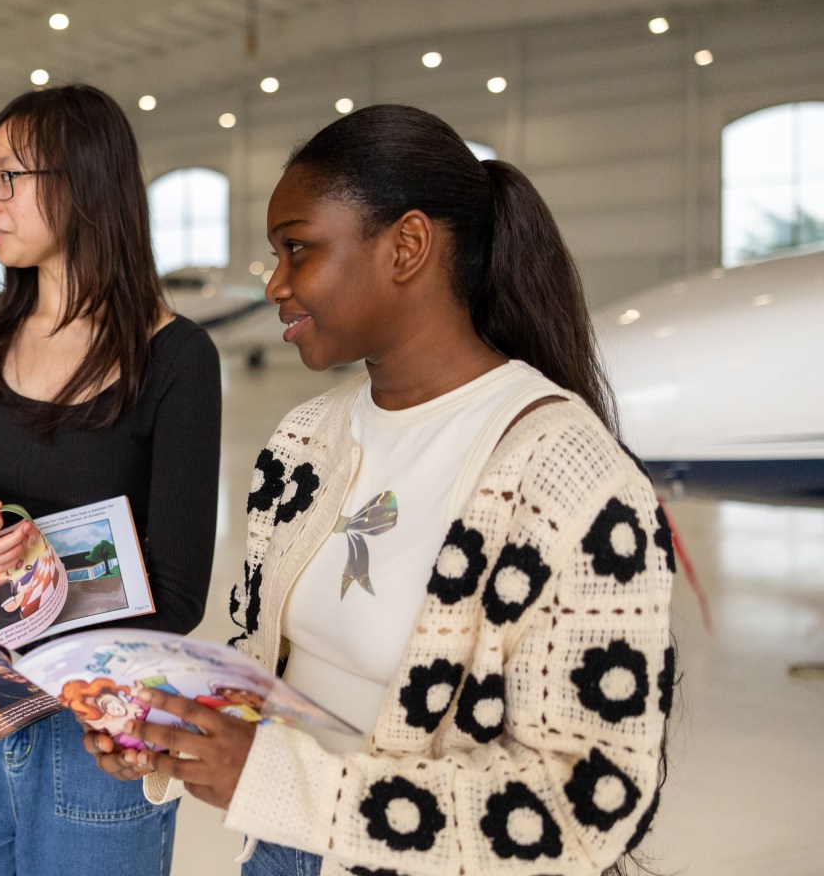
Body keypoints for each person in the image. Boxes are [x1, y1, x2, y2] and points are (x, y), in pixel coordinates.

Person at [87, 105, 675, 876]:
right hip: (282, 853)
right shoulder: (304, 440)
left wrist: (276, 781)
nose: (275, 283)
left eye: (298, 249)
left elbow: (586, 801)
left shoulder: (568, 478)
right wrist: (176, 728)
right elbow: (269, 665)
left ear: (407, 246)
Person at [0, 84, 223, 876]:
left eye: (8, 177)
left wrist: (43, 567)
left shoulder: (176, 358)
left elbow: (179, 595)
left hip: (99, 727)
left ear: (84, 182)